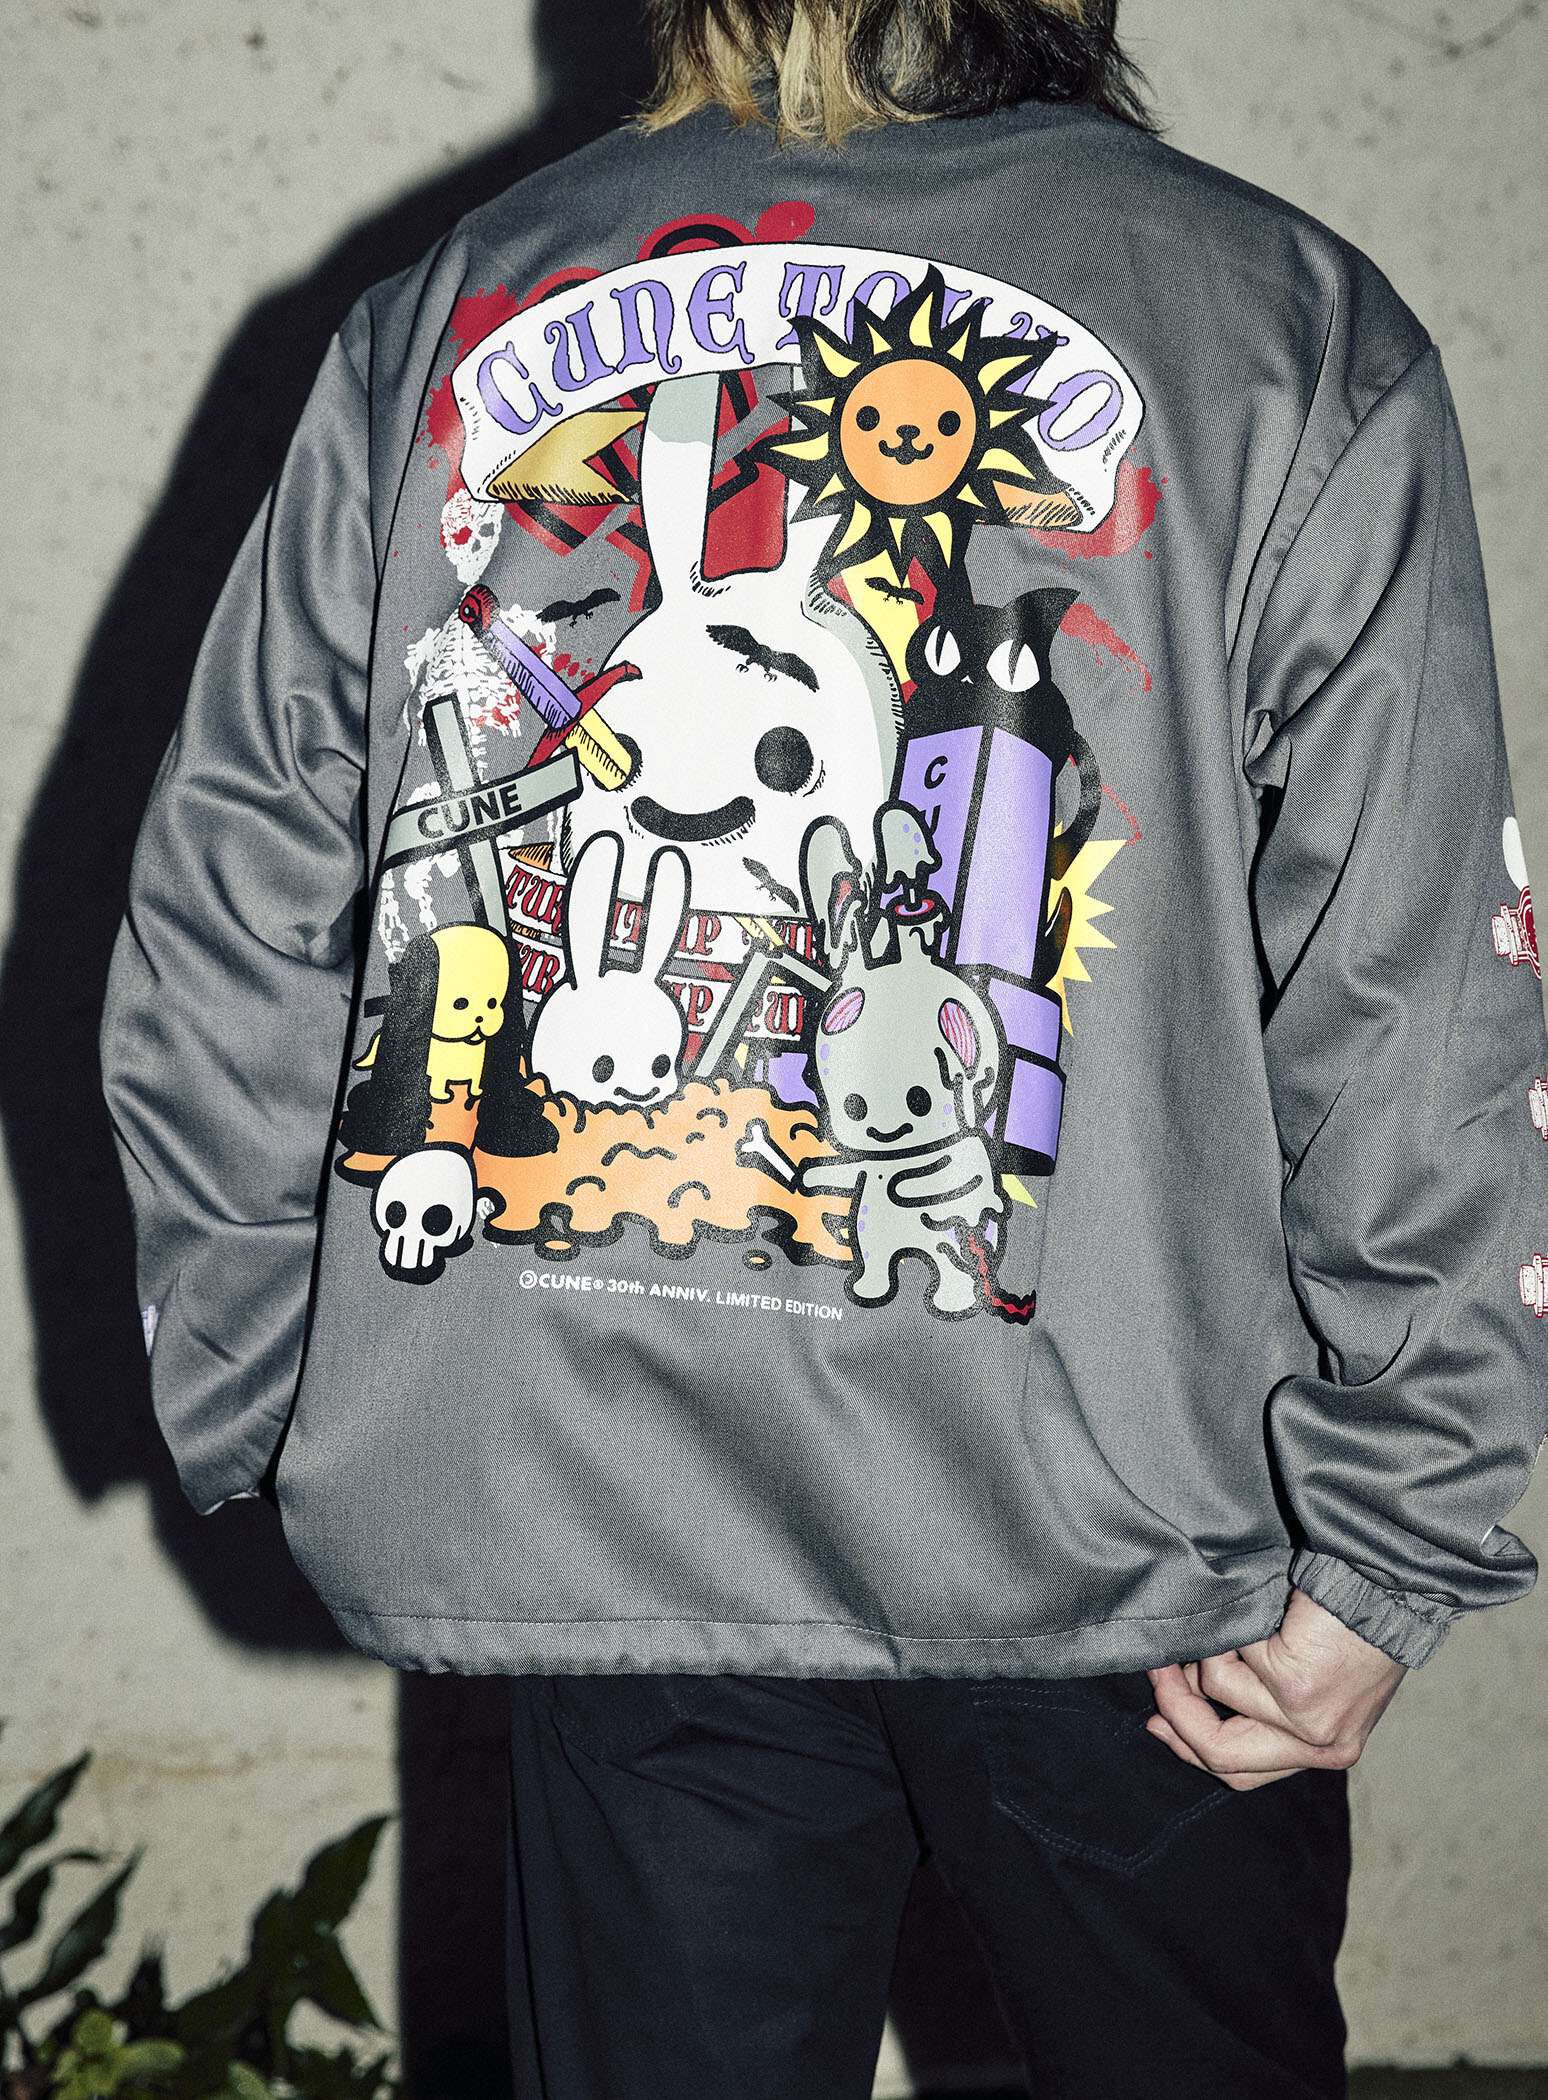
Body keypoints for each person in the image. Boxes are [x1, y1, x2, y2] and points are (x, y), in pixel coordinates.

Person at [99, 1, 1548, 2092]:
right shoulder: (1285, 325)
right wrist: (1396, 1531)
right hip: (1136, 1553)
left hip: (619, 1515)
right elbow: (1416, 986)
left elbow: (228, 896)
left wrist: (273, 1383)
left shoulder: (456, 305)